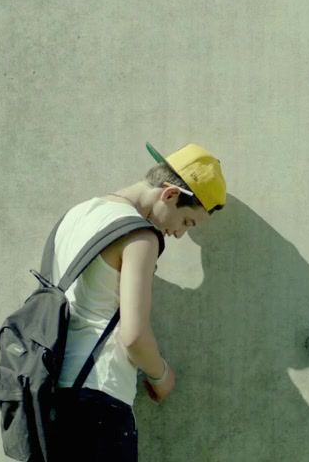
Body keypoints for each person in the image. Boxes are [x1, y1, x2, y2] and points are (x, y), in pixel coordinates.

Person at [50, 142, 226, 461]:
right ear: (169, 194)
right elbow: (133, 336)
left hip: (55, 396)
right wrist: (162, 377)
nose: (179, 234)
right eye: (187, 222)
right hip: (100, 397)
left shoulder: (75, 215)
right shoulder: (140, 236)